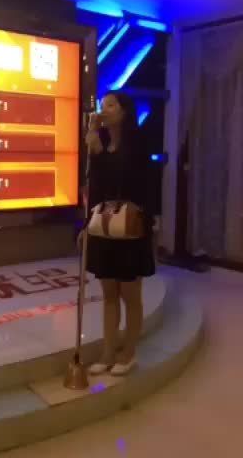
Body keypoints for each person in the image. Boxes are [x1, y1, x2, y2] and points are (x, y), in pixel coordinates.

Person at [79, 91, 156, 376]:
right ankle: (108, 352)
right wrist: (86, 225)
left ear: (124, 111)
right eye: (103, 105)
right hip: (104, 227)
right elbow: (96, 189)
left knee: (130, 294)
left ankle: (129, 352)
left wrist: (101, 153)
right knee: (109, 293)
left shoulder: (138, 143)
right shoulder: (99, 144)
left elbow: (132, 182)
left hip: (130, 227)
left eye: (111, 105)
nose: (104, 109)